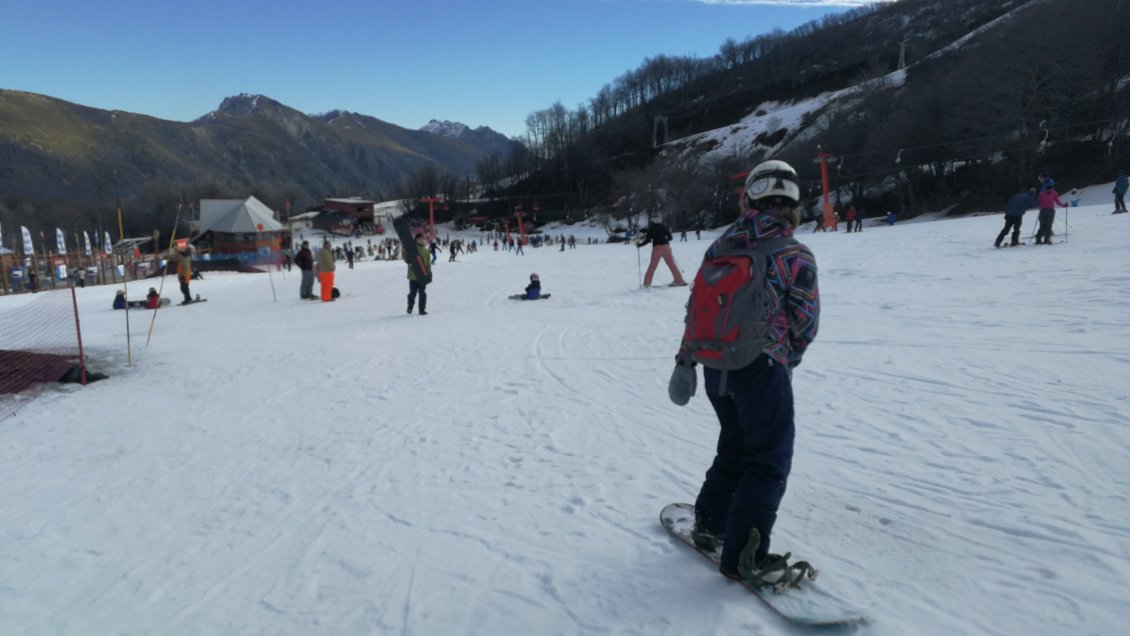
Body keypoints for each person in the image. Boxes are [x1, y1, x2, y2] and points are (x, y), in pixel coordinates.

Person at [667, 159, 820, 586]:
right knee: (767, 461)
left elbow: (697, 305)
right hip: (761, 367)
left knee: (733, 447)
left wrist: (686, 358)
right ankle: (745, 557)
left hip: (715, 365)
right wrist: (787, 359)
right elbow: (805, 321)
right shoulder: (794, 254)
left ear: (747, 197)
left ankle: (711, 522)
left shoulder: (720, 247)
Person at [637, 217, 687, 288]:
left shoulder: (652, 228)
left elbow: (648, 240)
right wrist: (664, 240)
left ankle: (647, 284)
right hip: (666, 247)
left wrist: (640, 245)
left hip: (657, 248)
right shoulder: (664, 227)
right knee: (671, 264)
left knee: (652, 266)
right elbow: (670, 237)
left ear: (653, 221)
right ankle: (679, 280)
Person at [406, 232, 432, 315]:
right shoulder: (412, 248)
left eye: (423, 239)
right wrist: (408, 260)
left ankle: (422, 309)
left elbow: (428, 263)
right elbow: (404, 254)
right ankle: (410, 306)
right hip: (413, 276)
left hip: (422, 276)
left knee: (422, 293)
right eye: (421, 238)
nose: (423, 240)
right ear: (417, 239)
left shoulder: (426, 250)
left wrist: (429, 273)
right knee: (412, 293)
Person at [1035, 178, 1067, 245]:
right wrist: (1064, 205)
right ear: (1052, 188)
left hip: (1043, 211)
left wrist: (1040, 207)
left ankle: (1038, 240)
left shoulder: (1042, 194)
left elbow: (1039, 202)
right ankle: (1046, 240)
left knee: (1042, 226)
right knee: (1049, 226)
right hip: (1050, 211)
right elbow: (1057, 202)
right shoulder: (1054, 193)